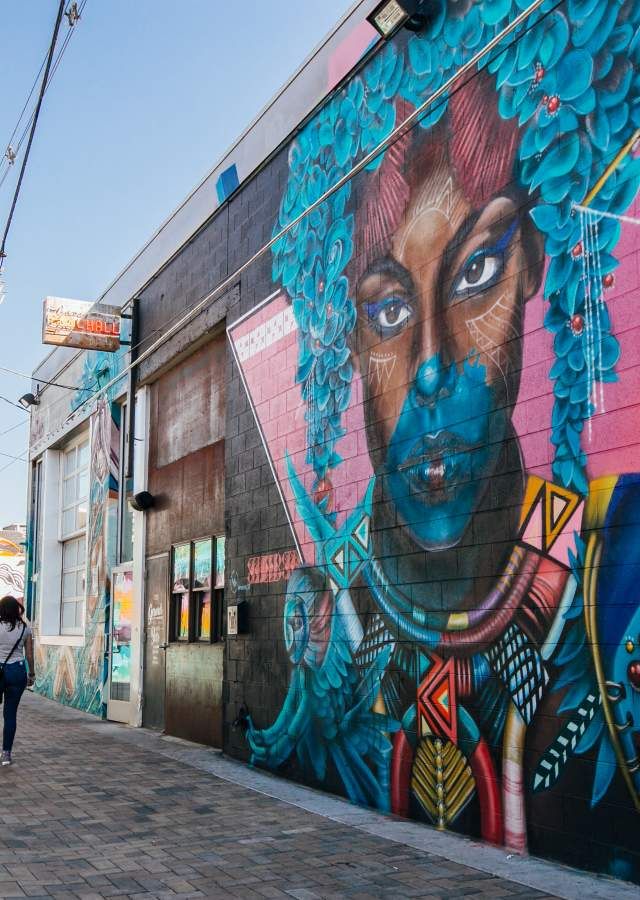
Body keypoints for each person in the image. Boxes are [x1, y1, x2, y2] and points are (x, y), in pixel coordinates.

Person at [245, 0, 640, 881]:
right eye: (386, 308)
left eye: (478, 272)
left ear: (537, 266)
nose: (430, 367)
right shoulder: (337, 613)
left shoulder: (606, 576)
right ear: (347, 341)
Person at [0, 595, 34, 766]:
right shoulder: (25, 628)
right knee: (10, 714)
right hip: (17, 671)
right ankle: (6, 754)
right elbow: (29, 655)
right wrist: (32, 674)